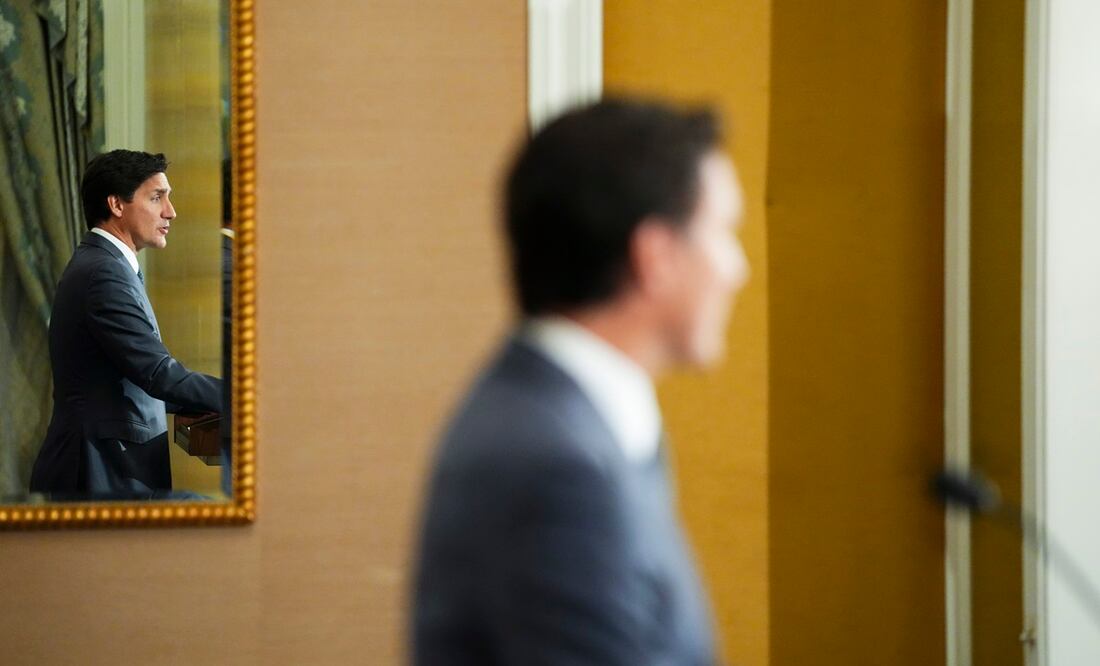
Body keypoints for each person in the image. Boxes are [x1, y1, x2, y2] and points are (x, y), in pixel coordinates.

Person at [412, 98, 749, 665]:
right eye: (722, 233)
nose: (737, 268)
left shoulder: (556, 418)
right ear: (656, 256)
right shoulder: (557, 464)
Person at [29, 150, 223, 498]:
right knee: (211, 527)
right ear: (117, 205)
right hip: (98, 471)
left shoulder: (109, 266)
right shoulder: (103, 272)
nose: (171, 211)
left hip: (113, 466)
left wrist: (215, 427)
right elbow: (158, 374)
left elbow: (137, 384)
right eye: (156, 197)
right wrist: (246, 401)